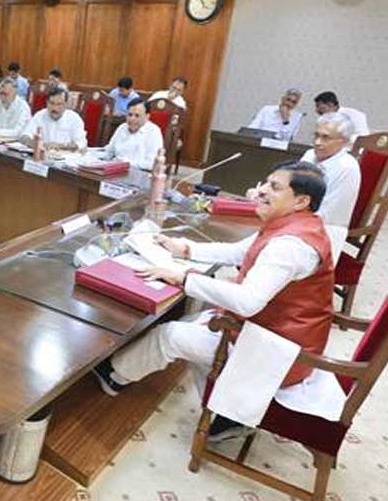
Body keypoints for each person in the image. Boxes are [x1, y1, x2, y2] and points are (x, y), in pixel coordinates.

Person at [93, 161, 336, 442]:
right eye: (266, 182)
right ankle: (225, 416)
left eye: (275, 187)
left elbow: (247, 302)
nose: (262, 191)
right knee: (194, 323)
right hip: (275, 332)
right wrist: (185, 249)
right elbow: (239, 252)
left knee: (170, 335)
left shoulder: (291, 246)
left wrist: (184, 278)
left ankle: (114, 375)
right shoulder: (296, 226)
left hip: (277, 350)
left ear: (301, 201)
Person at [300, 113, 360, 228]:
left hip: (324, 228)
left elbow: (328, 212)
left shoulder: (347, 167)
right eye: (316, 135)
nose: (317, 142)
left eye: (326, 137)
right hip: (297, 217)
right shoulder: (309, 155)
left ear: (344, 141)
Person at [104, 99, 164, 170]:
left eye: (137, 115)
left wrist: (126, 163)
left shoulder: (153, 132)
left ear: (147, 117)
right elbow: (109, 151)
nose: (132, 119)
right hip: (115, 170)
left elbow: (152, 164)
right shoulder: (122, 127)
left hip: (139, 173)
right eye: (130, 115)